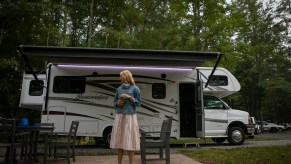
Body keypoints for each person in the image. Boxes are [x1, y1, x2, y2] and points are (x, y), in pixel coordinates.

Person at [110, 70, 141, 164]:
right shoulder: (118, 89)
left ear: (126, 77)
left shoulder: (135, 88)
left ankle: (131, 163)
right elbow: (114, 104)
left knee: (130, 141)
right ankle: (119, 162)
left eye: (121, 76)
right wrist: (117, 103)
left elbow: (139, 103)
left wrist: (129, 97)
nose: (120, 78)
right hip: (120, 116)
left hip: (130, 117)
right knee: (120, 141)